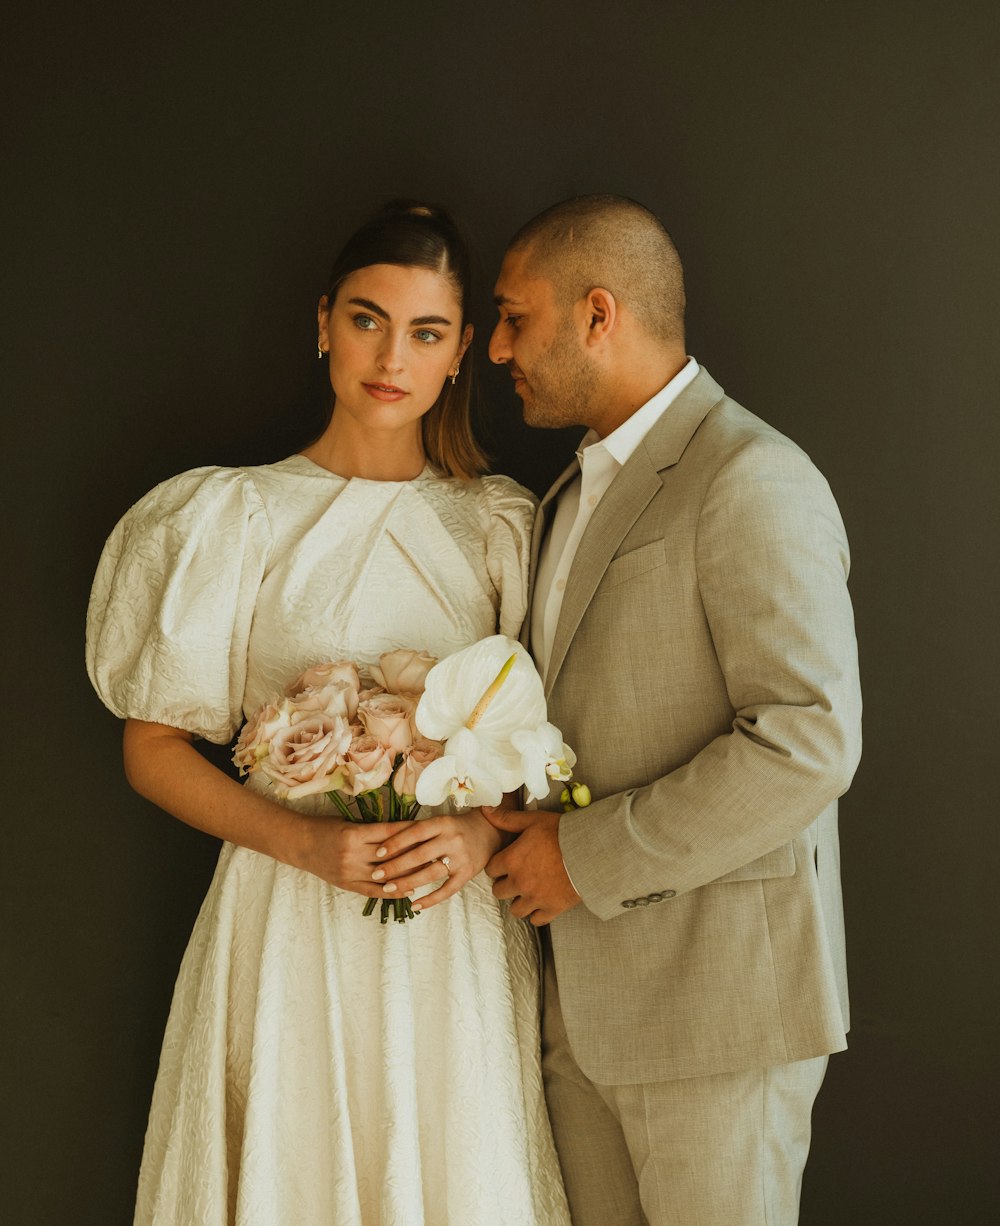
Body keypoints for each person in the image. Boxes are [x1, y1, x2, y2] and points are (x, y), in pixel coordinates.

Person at [86, 200, 571, 1226]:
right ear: (321, 323)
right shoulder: (234, 514)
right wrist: (306, 845)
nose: (391, 354)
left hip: (450, 933)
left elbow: (543, 746)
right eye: (366, 318)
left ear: (461, 353)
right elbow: (153, 746)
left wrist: (483, 830)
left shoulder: (498, 527)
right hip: (285, 918)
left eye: (426, 331)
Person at [479, 195, 863, 1226]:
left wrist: (582, 857)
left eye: (515, 317)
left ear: (596, 314)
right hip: (581, 1019)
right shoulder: (564, 494)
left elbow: (807, 740)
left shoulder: (751, 476)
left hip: (718, 1020)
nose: (494, 345)